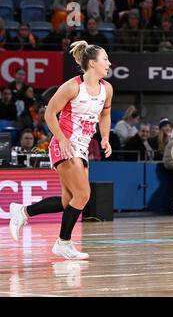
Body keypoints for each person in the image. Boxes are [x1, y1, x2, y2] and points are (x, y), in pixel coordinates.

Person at [9, 41, 113, 260]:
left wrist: (105, 137)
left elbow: (105, 115)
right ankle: (63, 243)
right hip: (64, 145)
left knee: (69, 202)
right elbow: (48, 114)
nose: (109, 63)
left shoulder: (107, 88)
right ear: (92, 63)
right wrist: (62, 139)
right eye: (105, 59)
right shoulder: (72, 86)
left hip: (82, 148)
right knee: (84, 194)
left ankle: (23, 212)